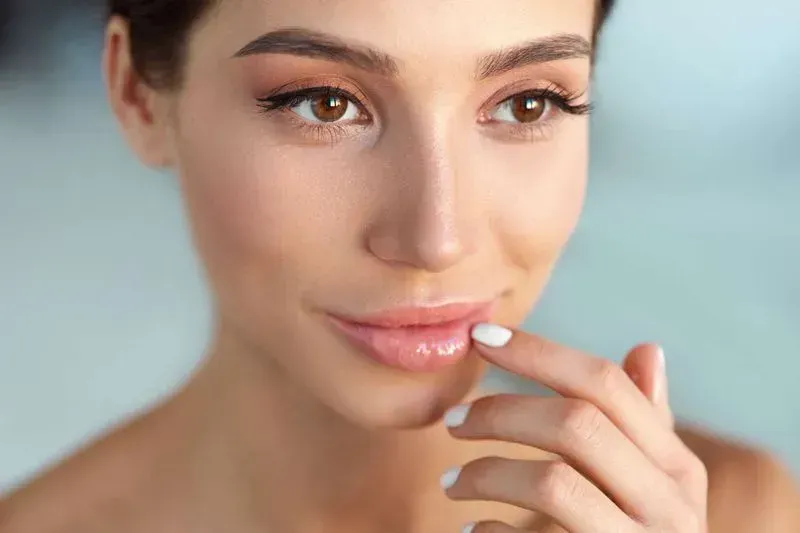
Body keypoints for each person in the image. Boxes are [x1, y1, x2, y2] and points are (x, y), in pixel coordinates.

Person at [1, 1, 798, 532]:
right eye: (323, 102)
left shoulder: (738, 510)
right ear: (138, 94)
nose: (436, 238)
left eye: (528, 103)